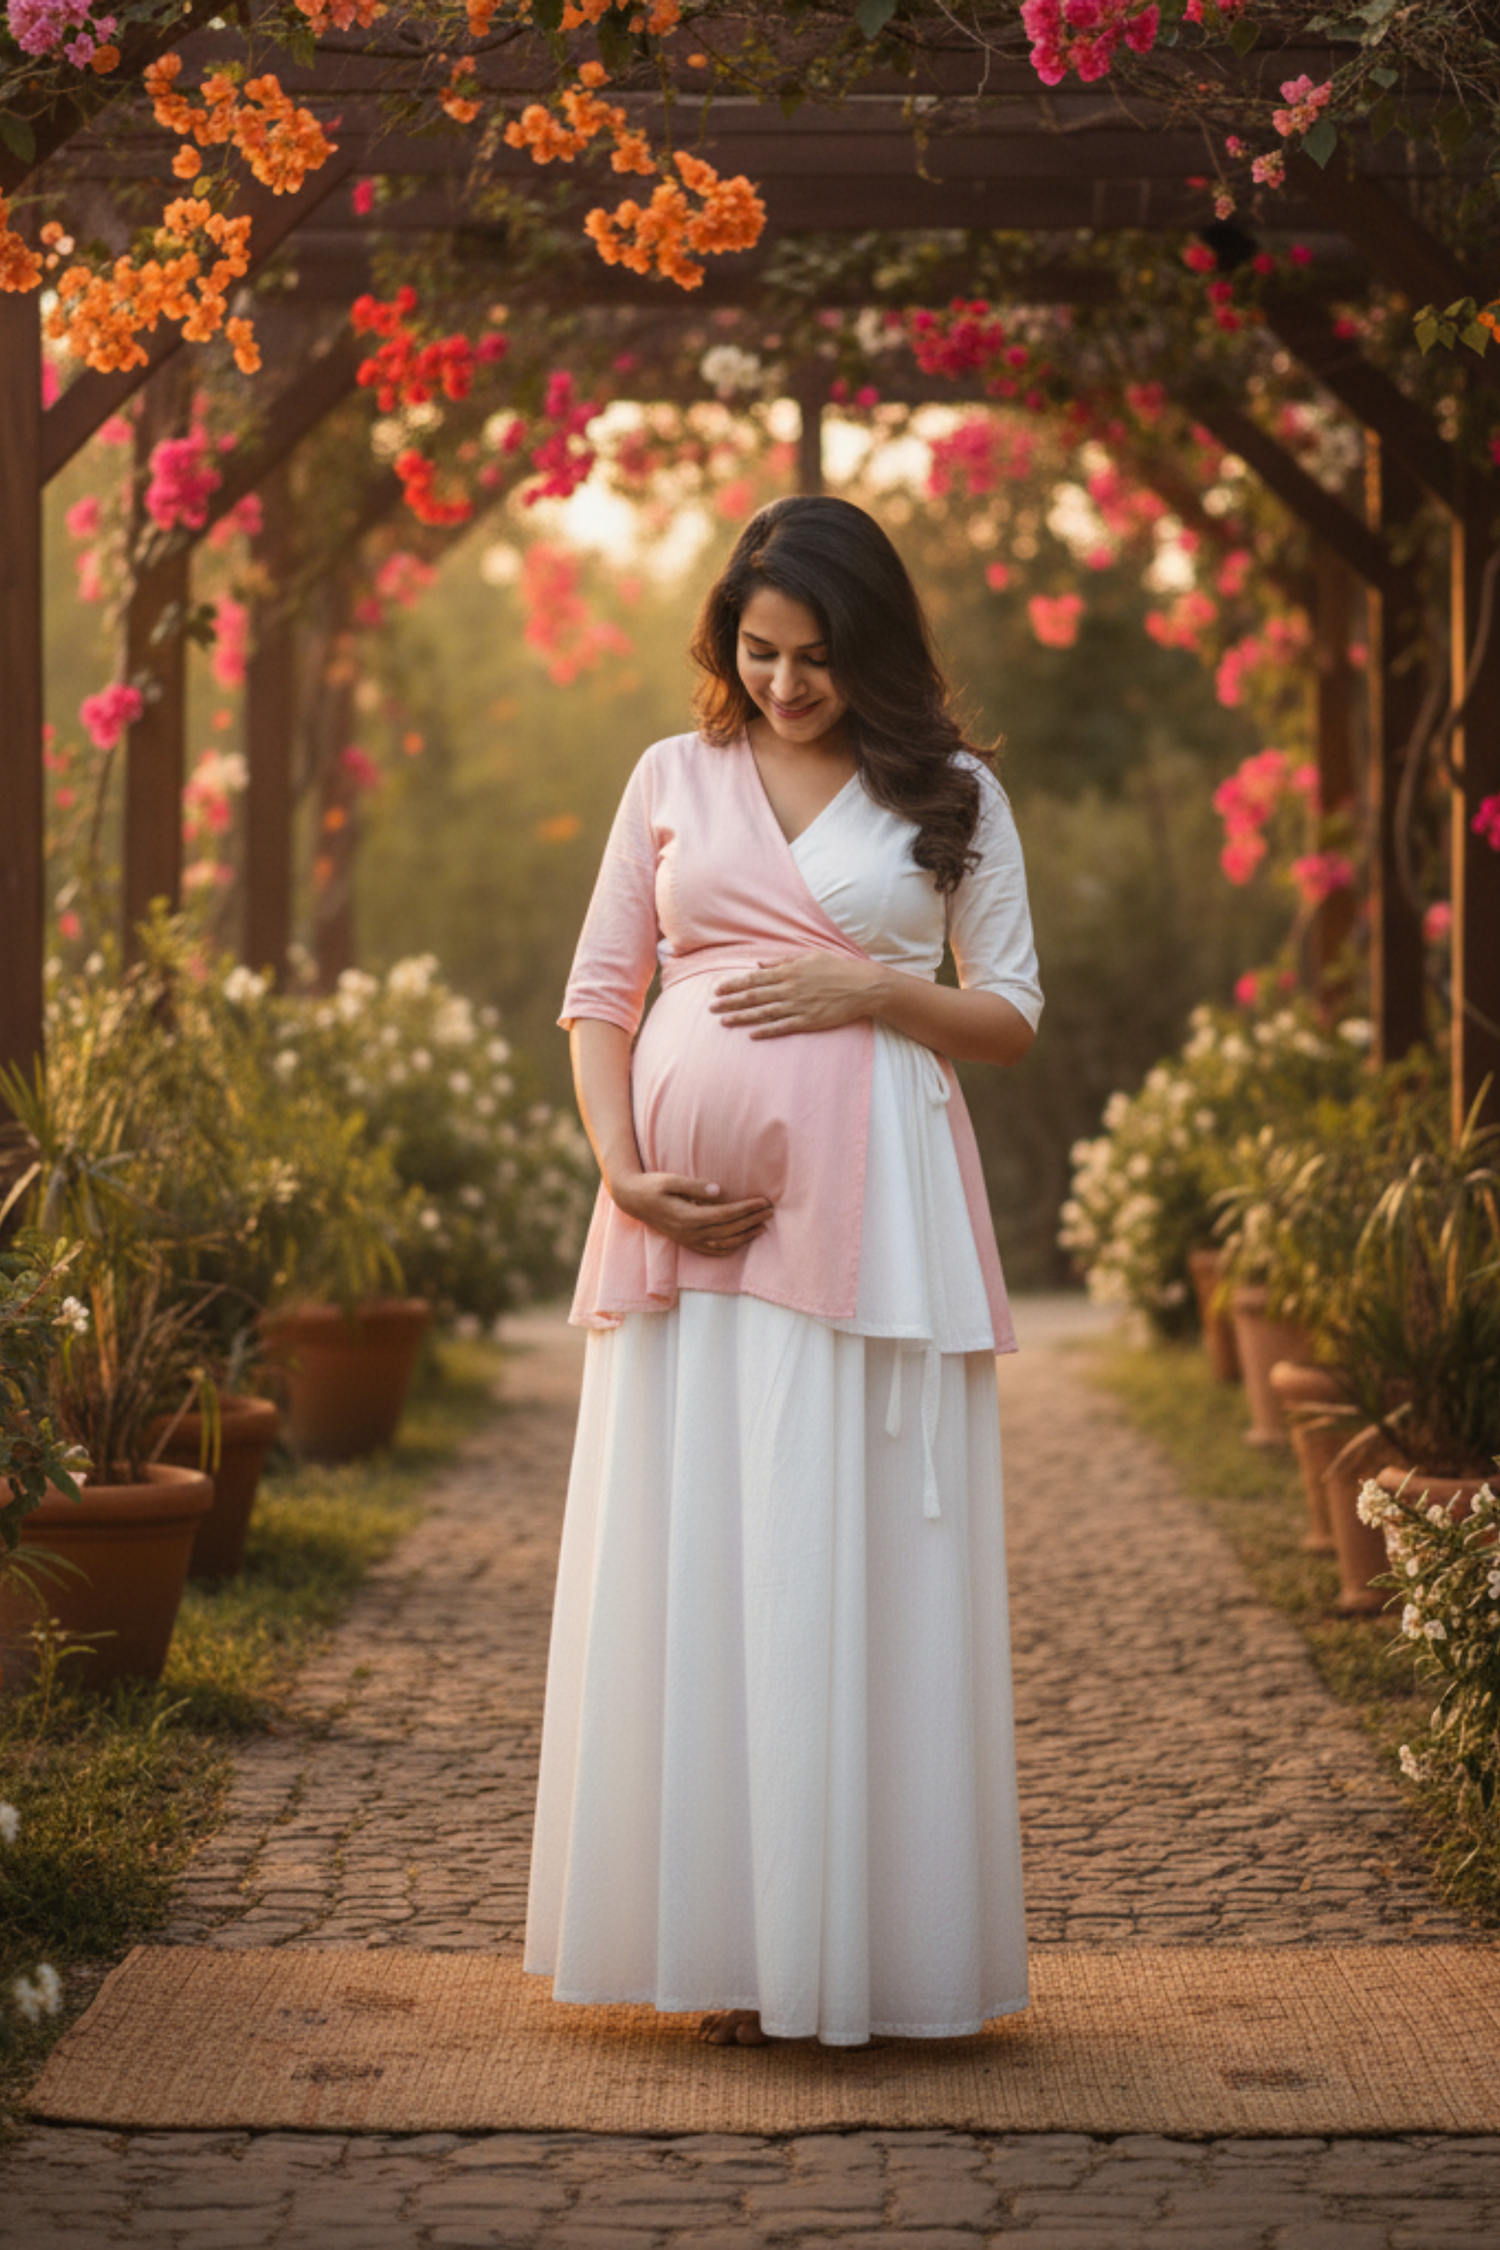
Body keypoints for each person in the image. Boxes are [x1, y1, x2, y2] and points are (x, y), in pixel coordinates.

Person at [523, 495, 1043, 2049]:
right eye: (759, 652)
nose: (786, 684)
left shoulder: (951, 792)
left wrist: (873, 988)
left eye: (815, 657)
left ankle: (857, 1948)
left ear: (869, 648)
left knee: (843, 1552)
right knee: (705, 1558)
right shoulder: (668, 776)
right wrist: (623, 1167)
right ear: (724, 643)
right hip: (681, 1240)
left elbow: (1009, 1008)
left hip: (872, 1233)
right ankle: (720, 1941)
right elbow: (600, 991)